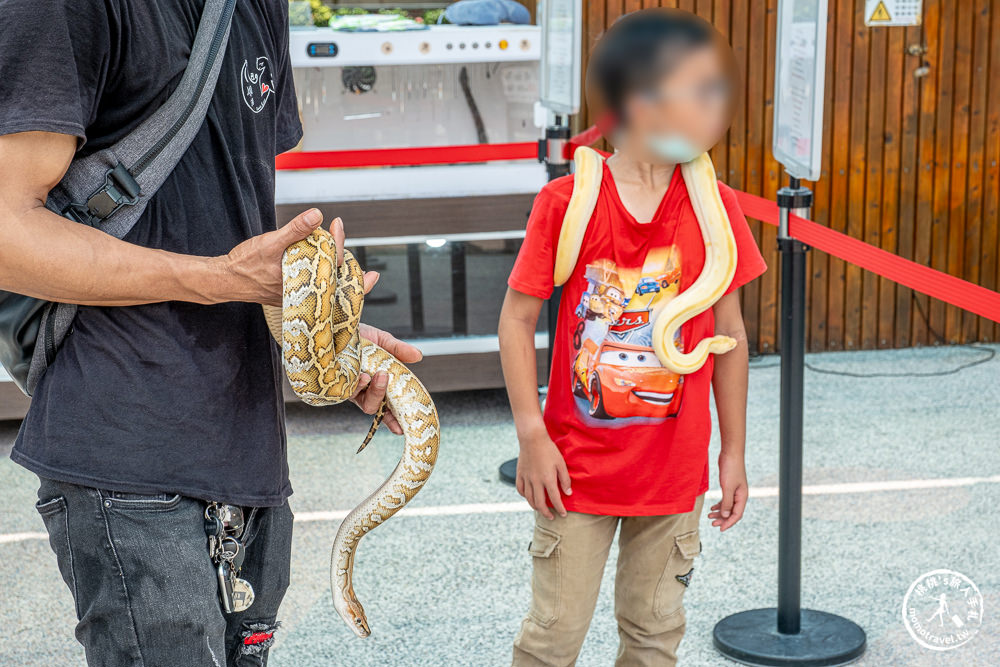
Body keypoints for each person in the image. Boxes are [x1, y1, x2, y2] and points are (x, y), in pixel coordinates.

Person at [0, 1, 419, 664]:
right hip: (125, 450)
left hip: (248, 449)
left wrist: (327, 332)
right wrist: (220, 276)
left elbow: (224, 209)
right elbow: (7, 233)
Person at [499, 10, 768, 666]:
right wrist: (532, 436)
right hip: (576, 474)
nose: (714, 109)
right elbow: (515, 320)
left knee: (654, 640)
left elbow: (730, 335)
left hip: (673, 478)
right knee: (552, 639)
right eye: (697, 92)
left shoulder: (717, 208)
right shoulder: (568, 203)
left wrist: (733, 452)